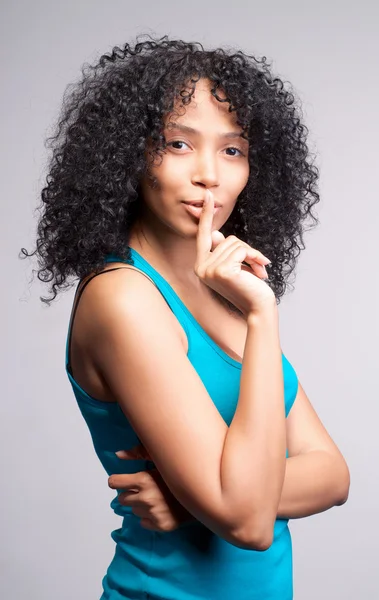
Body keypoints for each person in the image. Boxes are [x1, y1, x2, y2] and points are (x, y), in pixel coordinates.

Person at [22, 34, 350, 600]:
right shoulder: (122, 298)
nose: (209, 174)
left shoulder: (226, 293)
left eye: (232, 150)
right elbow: (247, 523)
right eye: (178, 143)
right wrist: (264, 316)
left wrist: (189, 500)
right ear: (130, 153)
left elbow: (333, 476)